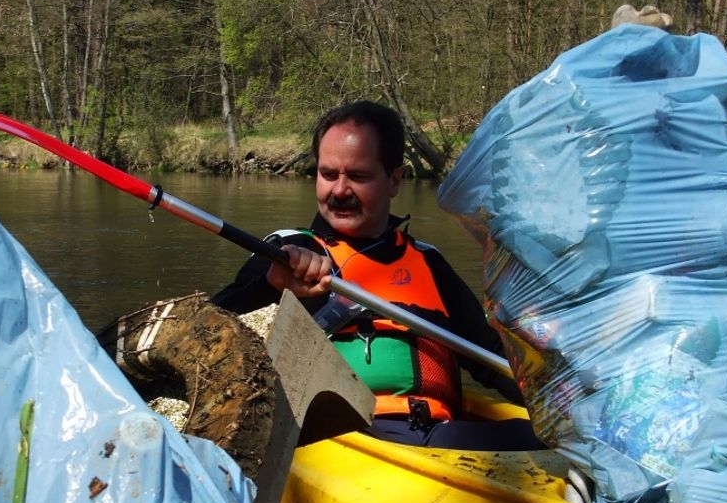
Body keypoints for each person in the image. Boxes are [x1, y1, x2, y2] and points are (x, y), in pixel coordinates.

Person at [212, 101, 545, 451]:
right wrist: (270, 284)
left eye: (358, 176)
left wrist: (561, 399)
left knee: (571, 446)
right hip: (339, 439)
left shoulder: (429, 263)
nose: (339, 191)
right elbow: (214, 332)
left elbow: (493, 360)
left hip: (438, 436)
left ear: (394, 180)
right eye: (328, 174)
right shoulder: (286, 251)